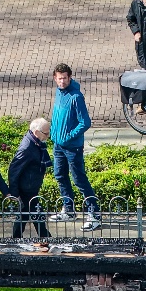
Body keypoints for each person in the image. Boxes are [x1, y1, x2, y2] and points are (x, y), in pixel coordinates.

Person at [49, 64, 101, 231]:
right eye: (59, 78)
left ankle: (94, 214)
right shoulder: (59, 92)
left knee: (79, 179)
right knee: (60, 175)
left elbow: (85, 123)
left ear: (69, 78)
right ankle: (69, 209)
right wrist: (54, 133)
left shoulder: (76, 97)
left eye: (65, 78)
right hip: (58, 145)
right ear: (55, 78)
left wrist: (68, 136)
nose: (62, 81)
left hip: (72, 147)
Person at [7, 119, 53, 240]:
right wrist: (14, 193)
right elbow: (14, 169)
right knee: (36, 213)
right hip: (26, 188)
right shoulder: (27, 148)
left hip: (30, 186)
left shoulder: (35, 143)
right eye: (46, 133)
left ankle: (17, 238)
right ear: (37, 132)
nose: (48, 136)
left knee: (25, 214)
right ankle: (44, 237)